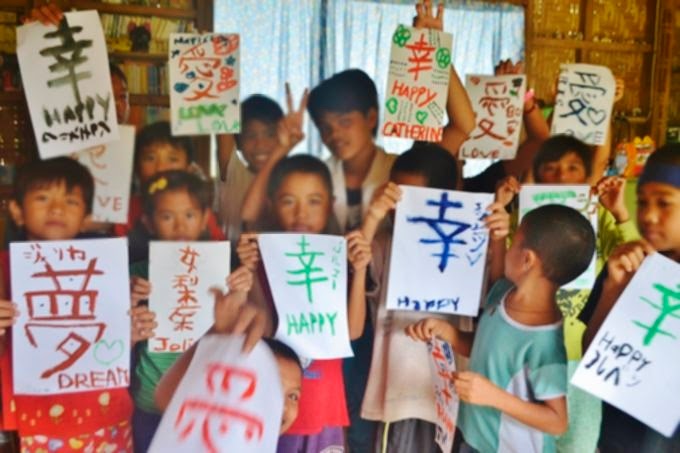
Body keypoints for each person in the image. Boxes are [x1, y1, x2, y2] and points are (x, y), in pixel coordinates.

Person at [345, 143, 507, 452]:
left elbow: (496, 296)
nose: (402, 207)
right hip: (398, 392)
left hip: (452, 391)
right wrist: (373, 216)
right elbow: (356, 259)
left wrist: (498, 240)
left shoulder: (470, 244)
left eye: (414, 198)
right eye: (397, 196)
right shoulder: (383, 244)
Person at [408, 204, 597, 452]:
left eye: (513, 243)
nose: (507, 250)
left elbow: (557, 422)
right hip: (475, 439)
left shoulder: (545, 342)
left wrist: (494, 397)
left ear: (527, 259)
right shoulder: (502, 294)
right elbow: (488, 351)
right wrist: (448, 333)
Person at [0, 157, 135, 451]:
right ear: (17, 211)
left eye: (71, 201)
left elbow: (113, 344)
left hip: (108, 411)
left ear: (86, 217)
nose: (57, 208)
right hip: (40, 420)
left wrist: (133, 332)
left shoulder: (105, 268)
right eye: (43, 198)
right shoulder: (3, 270)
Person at [237, 154, 350, 452]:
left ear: (330, 205)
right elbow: (264, 329)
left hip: (323, 399)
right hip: (278, 405)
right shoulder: (263, 259)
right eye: (289, 201)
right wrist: (251, 270)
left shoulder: (338, 262)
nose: (301, 213)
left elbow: (352, 331)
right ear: (271, 204)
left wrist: (360, 268)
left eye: (314, 201)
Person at [580, 144, 680, 452]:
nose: (649, 215)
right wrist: (613, 288)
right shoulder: (629, 264)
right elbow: (592, 354)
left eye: (664, 203)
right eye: (642, 202)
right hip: (618, 439)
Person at [123, 170, 231, 452]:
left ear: (205, 217)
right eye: (167, 216)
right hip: (151, 403)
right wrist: (129, 305)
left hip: (206, 402)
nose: (180, 225)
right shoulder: (134, 277)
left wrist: (242, 289)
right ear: (149, 222)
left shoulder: (225, 273)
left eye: (189, 215)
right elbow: (114, 345)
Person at [114, 122, 225, 262]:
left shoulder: (197, 206)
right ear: (136, 166)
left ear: (189, 167)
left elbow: (219, 255)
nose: (161, 167)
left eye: (172, 159)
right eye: (150, 158)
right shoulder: (123, 211)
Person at [216, 89, 307, 243]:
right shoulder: (232, 172)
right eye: (250, 135)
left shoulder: (293, 181)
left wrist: (284, 148)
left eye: (270, 134)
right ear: (238, 141)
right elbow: (223, 118)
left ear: (282, 135)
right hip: (231, 257)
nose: (260, 144)